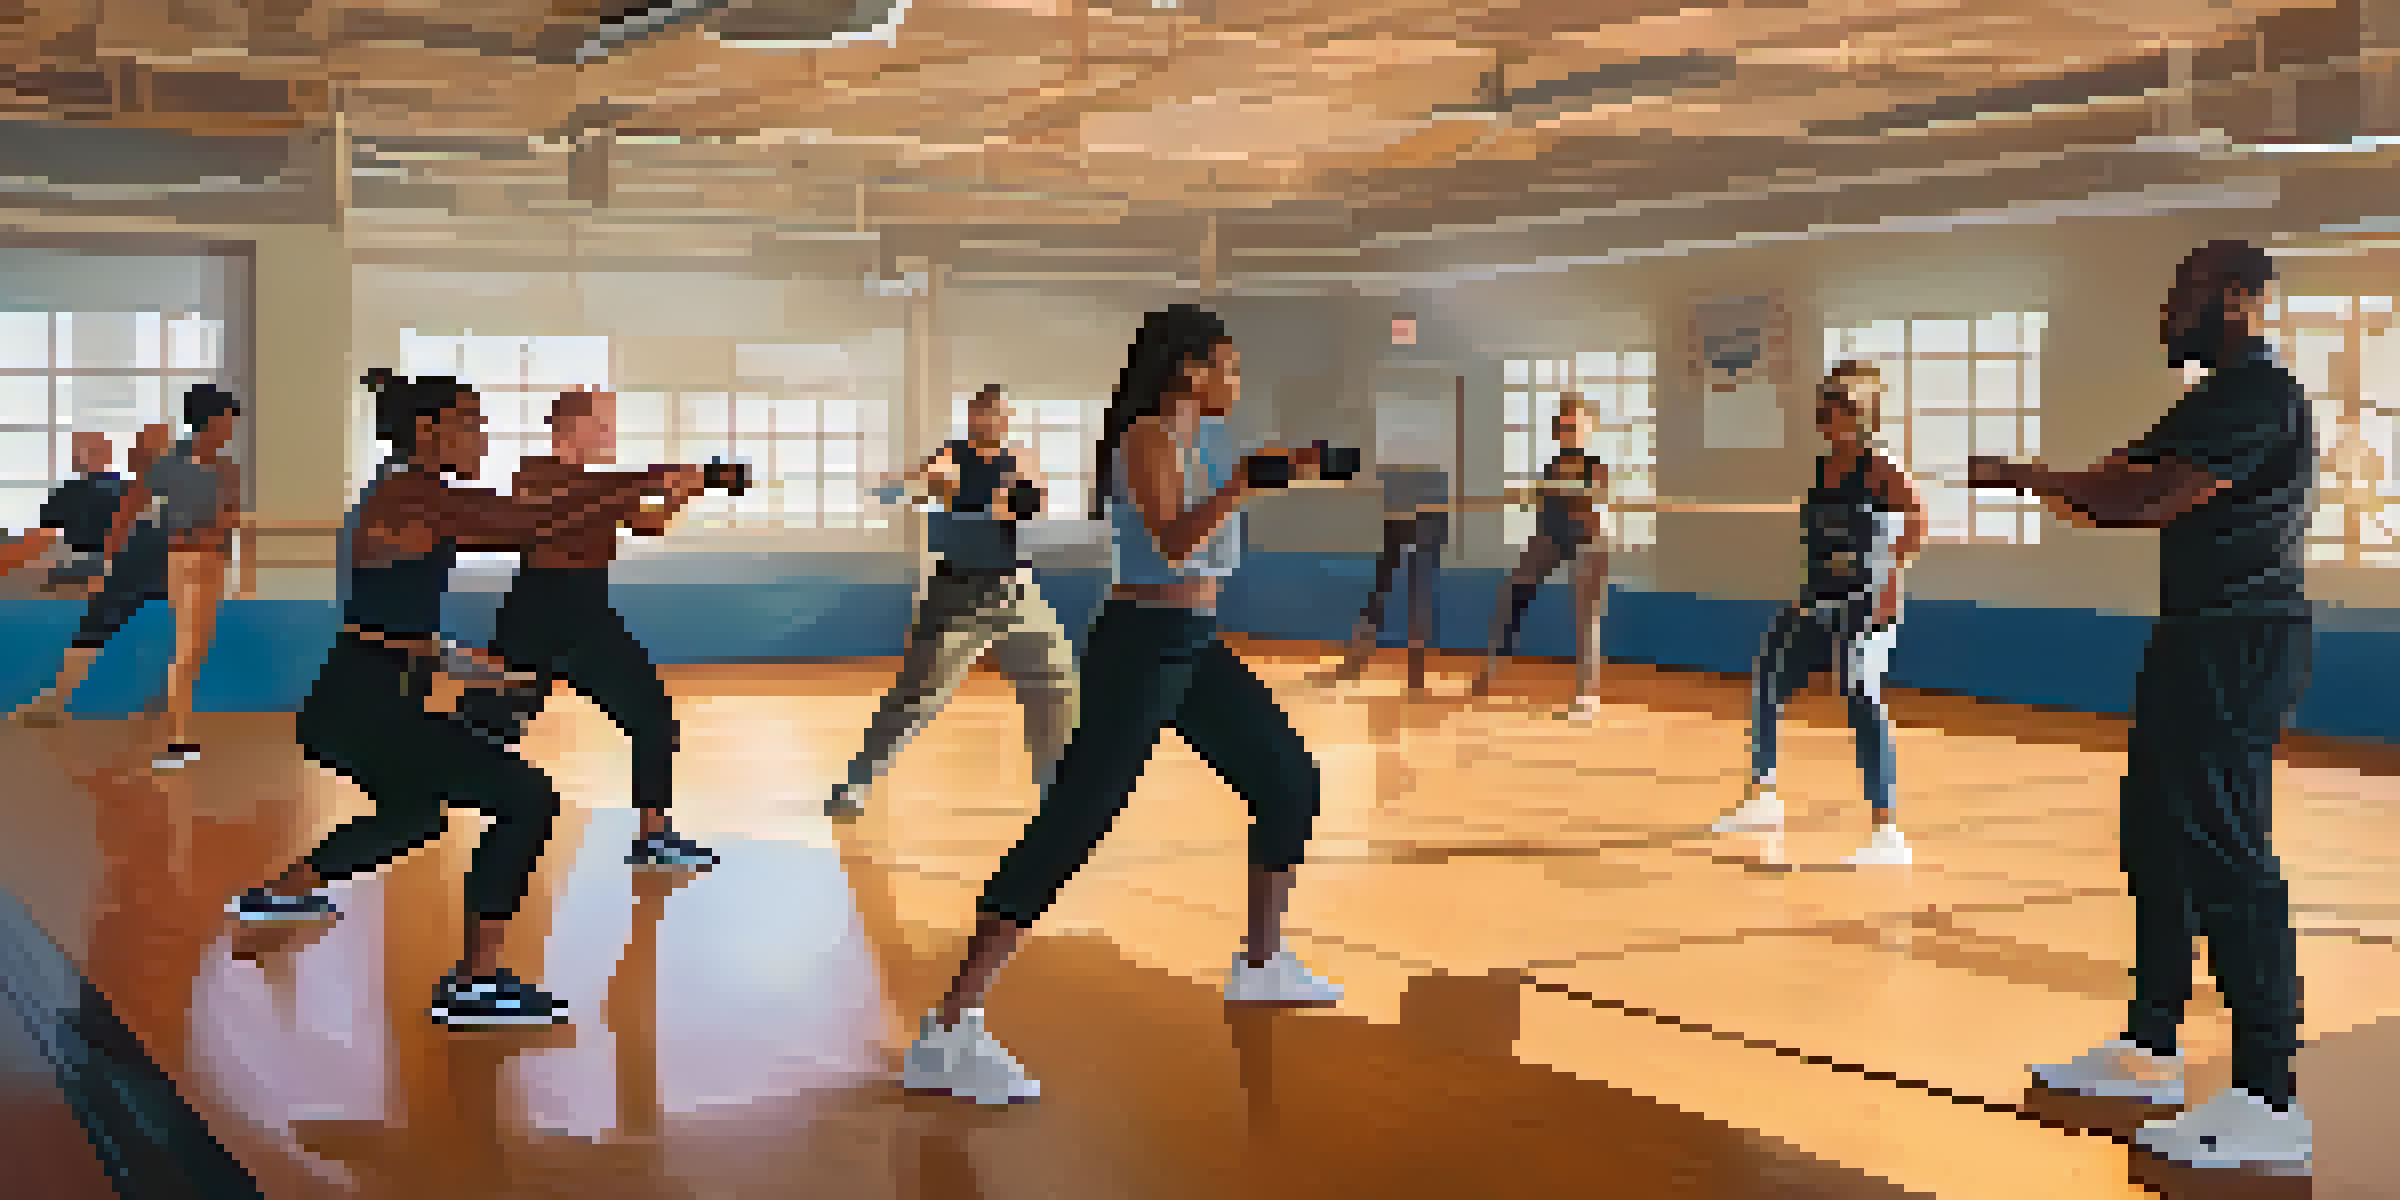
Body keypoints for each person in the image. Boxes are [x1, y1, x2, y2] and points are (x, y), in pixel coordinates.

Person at [899, 305, 1343, 1106]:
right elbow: (1173, 541)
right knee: (1075, 821)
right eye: (1226, 367)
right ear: (1186, 370)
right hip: (1141, 645)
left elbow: (1208, 524)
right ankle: (948, 1029)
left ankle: (1260, 962)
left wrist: (1284, 465)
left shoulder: (1203, 441)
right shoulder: (1145, 437)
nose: (1237, 382)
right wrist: (1245, 484)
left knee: (1288, 782)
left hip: (1194, 642)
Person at [1974, 239, 2314, 1174]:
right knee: (2156, 840)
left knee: (2228, 850)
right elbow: (2109, 490)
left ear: (2239, 299)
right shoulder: (2207, 400)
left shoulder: (2260, 396)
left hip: (2239, 639)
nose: (2169, 310)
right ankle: (2151, 1046)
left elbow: (2146, 496)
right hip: (2192, 636)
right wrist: (2069, 484)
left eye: (2187, 293)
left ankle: (2269, 1096)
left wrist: (2030, 479)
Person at [229, 372, 696, 1029]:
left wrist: (458, 659)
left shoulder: (405, 494)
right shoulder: (414, 496)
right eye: (472, 424)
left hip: (361, 693)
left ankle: (279, 894)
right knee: (527, 796)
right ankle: (475, 983)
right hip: (372, 703)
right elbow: (529, 523)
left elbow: (388, 610)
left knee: (416, 815)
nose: (482, 438)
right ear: (429, 431)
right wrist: (644, 480)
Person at [1709, 362, 1924, 868]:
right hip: (1817, 601)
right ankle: (1763, 795)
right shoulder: (1824, 467)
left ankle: (1887, 829)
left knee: (1858, 692)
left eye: (1845, 408)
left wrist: (1887, 580)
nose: (1833, 417)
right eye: (1828, 408)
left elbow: (1917, 522)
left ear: (1866, 415)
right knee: (1768, 676)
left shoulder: (1879, 468)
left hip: (1866, 606)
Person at [494, 387, 718, 870]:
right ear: (573, 427)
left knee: (654, 717)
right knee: (492, 726)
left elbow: (649, 524)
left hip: (587, 614)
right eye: (603, 424)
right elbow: (556, 504)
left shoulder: (601, 486)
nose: (611, 434)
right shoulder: (533, 475)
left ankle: (653, 839)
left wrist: (681, 495)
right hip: (535, 613)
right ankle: (419, 808)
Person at [831, 383, 1078, 819]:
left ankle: (1056, 791)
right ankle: (856, 783)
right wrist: (918, 485)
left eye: (1002, 414)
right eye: (986, 413)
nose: (995, 421)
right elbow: (898, 488)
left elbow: (1034, 499)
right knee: (917, 694)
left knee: (1056, 685)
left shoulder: (1018, 459)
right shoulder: (950, 457)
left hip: (1016, 591)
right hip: (958, 593)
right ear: (973, 417)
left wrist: (1018, 499)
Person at [11, 413, 204, 752]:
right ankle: (58, 700)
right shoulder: (137, 489)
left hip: (138, 561)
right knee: (109, 616)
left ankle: (57, 701)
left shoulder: (134, 489)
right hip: (139, 561)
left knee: (108, 615)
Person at [1473, 394, 1611, 716]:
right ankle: (1494, 667)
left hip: (1588, 539)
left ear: (1589, 429)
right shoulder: (1552, 466)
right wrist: (1527, 496)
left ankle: (1587, 698)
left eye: (1576, 425)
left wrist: (1548, 491)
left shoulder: (1596, 466)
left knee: (1587, 618)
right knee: (1511, 594)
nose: (1570, 431)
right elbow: (1544, 505)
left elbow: (1598, 495)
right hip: (1550, 537)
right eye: (1564, 426)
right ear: (1557, 431)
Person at [1322, 459, 1448, 694]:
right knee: (1384, 596)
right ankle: (1360, 665)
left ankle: (1414, 679)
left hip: (1423, 515)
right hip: (1407, 514)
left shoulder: (1428, 480)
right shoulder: (1398, 479)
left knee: (1415, 600)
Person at [36, 432, 128, 597]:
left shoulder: (72, 490)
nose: (78, 457)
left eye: (84, 452)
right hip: (107, 564)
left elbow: (46, 522)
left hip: (90, 564)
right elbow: (46, 523)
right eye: (77, 452)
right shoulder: (127, 488)